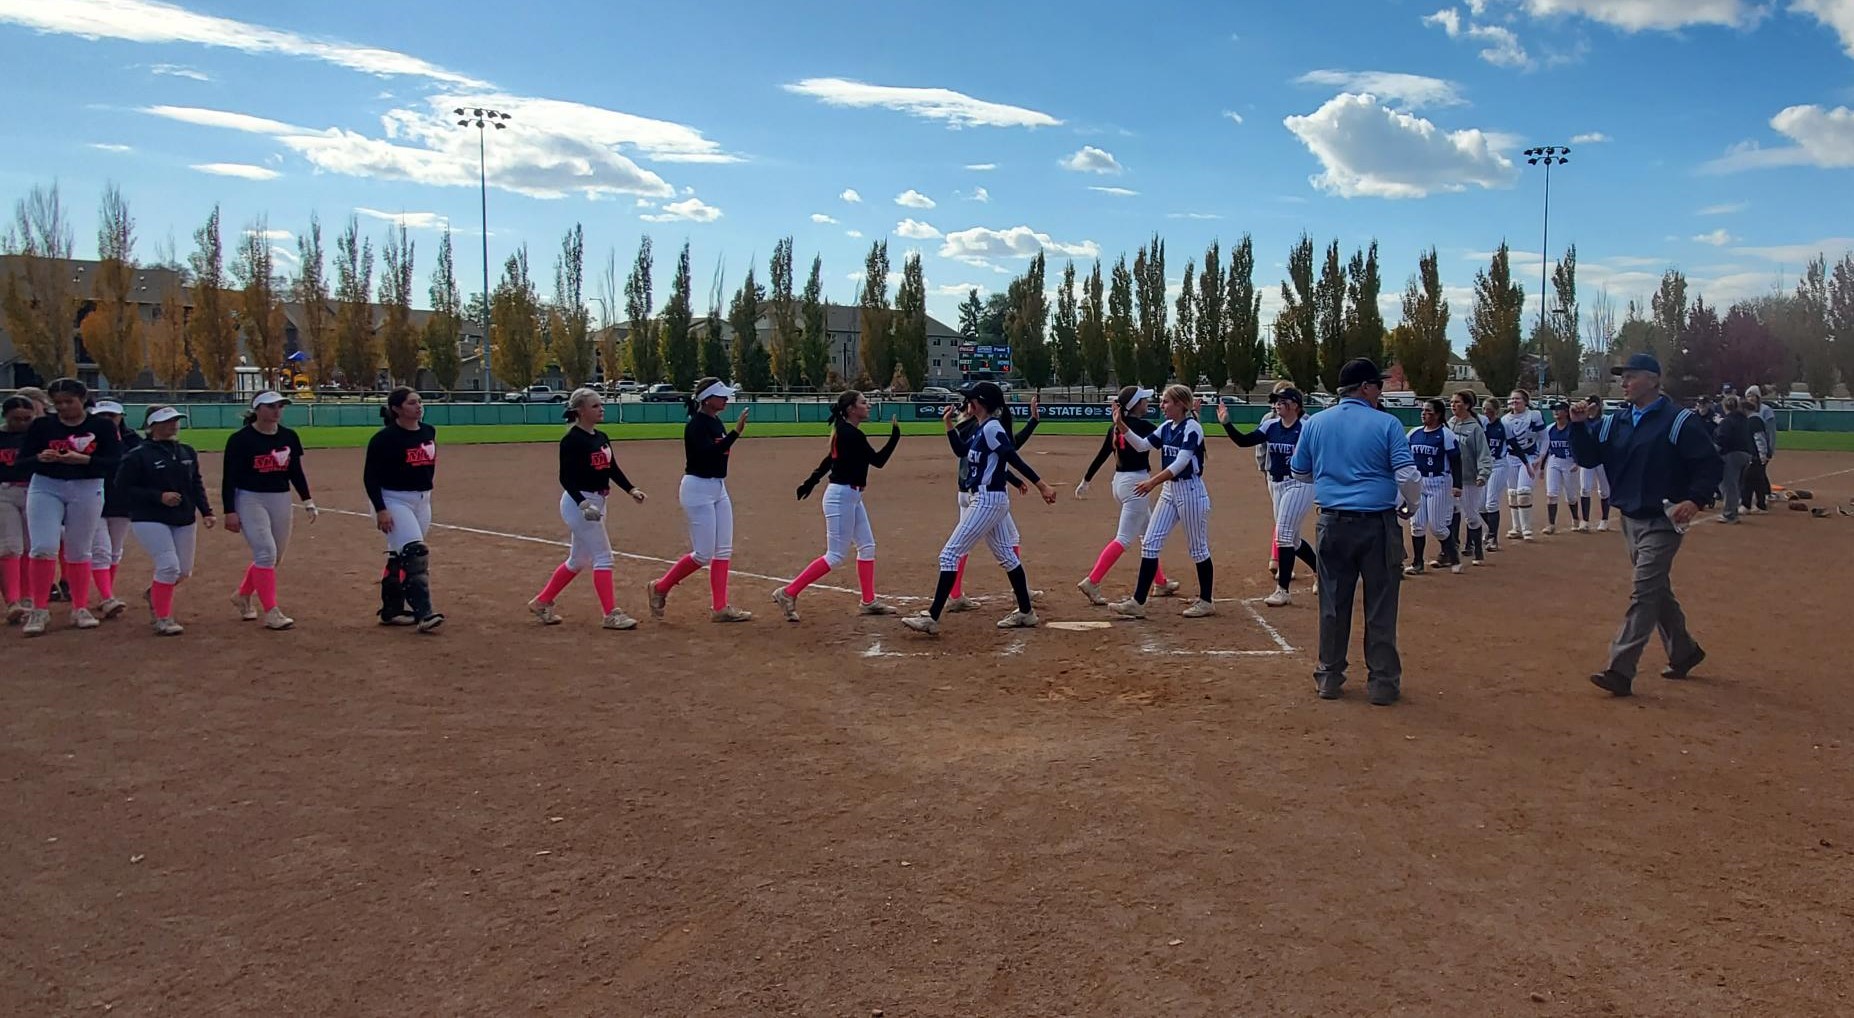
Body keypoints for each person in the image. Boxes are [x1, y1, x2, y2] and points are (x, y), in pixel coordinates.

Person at [1569, 354, 1724, 697]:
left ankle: (1620, 669)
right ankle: (1684, 651)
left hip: (1665, 519)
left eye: (1631, 376)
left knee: (1643, 591)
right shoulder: (1615, 422)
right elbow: (1589, 458)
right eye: (1622, 378)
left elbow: (1710, 464)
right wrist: (1578, 427)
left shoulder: (1679, 421)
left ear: (1653, 380)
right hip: (1630, 518)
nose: (1624, 383)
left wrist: (1695, 499)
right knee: (1655, 591)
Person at [1289, 358, 1423, 705]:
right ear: (1365, 387)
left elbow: (1299, 471)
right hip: (1377, 523)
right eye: (1377, 385)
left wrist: (1333, 477)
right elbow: (1407, 476)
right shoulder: (1387, 423)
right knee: (1381, 604)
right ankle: (1382, 683)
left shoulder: (1316, 423)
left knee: (1333, 603)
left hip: (1332, 521)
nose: (1380, 391)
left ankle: (1329, 677)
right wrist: (1411, 506)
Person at [904, 381, 1056, 635]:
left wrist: (1042, 485)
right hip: (987, 499)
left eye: (971, 399)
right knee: (1007, 556)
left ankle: (932, 617)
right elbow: (961, 450)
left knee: (949, 555)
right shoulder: (982, 427)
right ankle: (1026, 612)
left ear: (981, 403)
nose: (968, 403)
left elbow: (1012, 456)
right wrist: (948, 424)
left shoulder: (992, 428)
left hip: (988, 500)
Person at [773, 390, 902, 621]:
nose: (868, 405)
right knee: (835, 556)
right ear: (851, 409)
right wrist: (895, 437)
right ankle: (788, 592)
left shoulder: (843, 430)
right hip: (841, 497)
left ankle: (868, 601)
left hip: (851, 496)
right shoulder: (851, 434)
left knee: (867, 547)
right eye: (863, 402)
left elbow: (829, 461)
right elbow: (878, 461)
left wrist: (811, 481)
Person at [528, 387, 648, 630]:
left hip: (599, 501)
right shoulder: (572, 440)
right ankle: (610, 614)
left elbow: (612, 468)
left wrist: (631, 489)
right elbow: (565, 477)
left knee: (578, 560)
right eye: (595, 406)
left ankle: (542, 602)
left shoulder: (601, 437)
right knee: (604, 557)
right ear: (580, 411)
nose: (601, 409)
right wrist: (582, 503)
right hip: (579, 503)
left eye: (600, 404)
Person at [18, 378, 121, 636]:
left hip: (87, 486)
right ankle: (39, 609)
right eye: (58, 403)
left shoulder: (102, 426)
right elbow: (21, 462)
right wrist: (39, 458)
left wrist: (84, 460)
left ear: (83, 399)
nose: (63, 407)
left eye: (69, 401)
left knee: (79, 549)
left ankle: (80, 607)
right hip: (47, 485)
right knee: (43, 546)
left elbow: (114, 462)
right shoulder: (43, 426)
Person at [646, 378, 752, 623]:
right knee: (703, 554)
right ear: (707, 399)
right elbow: (708, 454)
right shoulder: (696, 425)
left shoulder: (715, 422)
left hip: (718, 487)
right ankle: (660, 587)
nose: (725, 399)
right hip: (697, 489)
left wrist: (731, 434)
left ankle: (720, 608)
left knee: (723, 550)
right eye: (721, 396)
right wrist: (735, 433)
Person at [1109, 384, 1218, 619]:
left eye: (1166, 402)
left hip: (1190, 491)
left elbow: (1181, 463)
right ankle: (1137, 602)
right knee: (1150, 543)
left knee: (1198, 548)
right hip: (1170, 490)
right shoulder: (1167, 427)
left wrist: (1153, 482)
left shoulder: (1192, 428)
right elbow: (1142, 445)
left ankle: (1206, 601)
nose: (1161, 406)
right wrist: (1120, 424)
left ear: (1180, 404)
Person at [944, 394, 1051, 610]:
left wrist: (1014, 480)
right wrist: (1033, 421)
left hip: (967, 492)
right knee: (999, 541)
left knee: (973, 544)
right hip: (982, 495)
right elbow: (1009, 450)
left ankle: (957, 594)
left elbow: (999, 455)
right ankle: (1019, 593)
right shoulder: (982, 426)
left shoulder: (968, 426)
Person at [223, 391, 317, 630]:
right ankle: (271, 612)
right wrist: (229, 510)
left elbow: (295, 471)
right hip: (250, 498)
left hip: (280, 498)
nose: (277, 411)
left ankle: (243, 595)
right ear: (257, 409)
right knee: (266, 552)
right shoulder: (240, 439)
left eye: (280, 406)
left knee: (275, 557)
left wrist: (307, 500)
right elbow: (229, 478)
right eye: (271, 406)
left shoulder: (288, 436)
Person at [1075, 386, 1179, 605]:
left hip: (1120, 482)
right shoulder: (1144, 426)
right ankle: (1092, 580)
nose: (1147, 403)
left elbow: (1102, 455)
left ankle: (1160, 583)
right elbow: (1171, 439)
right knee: (1124, 538)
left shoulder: (1115, 427)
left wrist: (1086, 480)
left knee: (1148, 535)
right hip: (1136, 485)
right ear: (1135, 405)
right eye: (1143, 400)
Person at [118, 405, 215, 636]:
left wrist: (206, 511)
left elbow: (196, 483)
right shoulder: (137, 455)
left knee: (183, 571)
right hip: (149, 517)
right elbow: (122, 488)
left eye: (175, 420)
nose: (173, 425)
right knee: (169, 566)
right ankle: (163, 617)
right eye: (166, 421)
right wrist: (158, 496)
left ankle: (155, 593)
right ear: (151, 426)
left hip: (183, 517)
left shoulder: (187, 452)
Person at [1218, 388, 1316, 606]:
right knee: (1293, 540)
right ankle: (1320, 571)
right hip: (1277, 483)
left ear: (1295, 405)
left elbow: (1322, 454)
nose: (1277, 405)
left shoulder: (1306, 427)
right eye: (1276, 401)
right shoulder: (1271, 425)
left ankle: (1283, 591)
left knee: (1283, 535)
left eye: (1282, 401)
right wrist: (1227, 424)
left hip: (1300, 484)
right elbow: (1244, 441)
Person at [363, 386, 443, 632]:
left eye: (419, 401)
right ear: (396, 409)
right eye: (411, 403)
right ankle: (424, 613)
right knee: (415, 552)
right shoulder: (385, 439)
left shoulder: (428, 431)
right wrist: (381, 509)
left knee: (401, 555)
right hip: (393, 499)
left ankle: (392, 610)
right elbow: (370, 477)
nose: (418, 406)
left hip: (422, 500)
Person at [88, 400, 138, 620]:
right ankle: (107, 597)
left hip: (121, 501)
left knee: (115, 550)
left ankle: (106, 593)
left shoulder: (132, 440)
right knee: (101, 550)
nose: (107, 420)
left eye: (112, 416)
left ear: (121, 417)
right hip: (92, 499)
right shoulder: (86, 439)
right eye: (102, 416)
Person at [1403, 398, 1462, 576]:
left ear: (1437, 415)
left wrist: (1457, 485)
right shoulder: (1414, 433)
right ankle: (1417, 563)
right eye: (1423, 410)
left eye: (1428, 411)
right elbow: (1404, 455)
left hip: (1439, 482)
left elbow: (1456, 461)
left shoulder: (1446, 434)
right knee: (1417, 525)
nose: (1424, 414)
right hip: (1419, 481)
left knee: (1438, 527)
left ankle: (1453, 557)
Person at [1445, 390, 1492, 567]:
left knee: (1471, 516)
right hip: (1450, 478)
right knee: (1450, 513)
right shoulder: (1449, 424)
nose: (1453, 405)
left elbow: (1483, 453)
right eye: (1451, 402)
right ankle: (1450, 550)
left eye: (1457, 402)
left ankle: (1478, 550)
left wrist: (1483, 473)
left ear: (1467, 405)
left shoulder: (1475, 428)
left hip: (1469, 478)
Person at [0, 395, 35, 622]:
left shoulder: (36, 436)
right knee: (10, 546)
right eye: (16, 419)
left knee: (31, 546)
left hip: (34, 491)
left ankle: (28, 597)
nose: (22, 423)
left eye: (26, 418)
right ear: (5, 416)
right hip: (4, 492)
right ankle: (13, 601)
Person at [1501, 389, 1548, 541]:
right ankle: (1516, 528)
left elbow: (1544, 438)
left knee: (1524, 491)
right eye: (1512, 399)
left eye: (1518, 399)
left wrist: (1540, 457)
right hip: (1511, 458)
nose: (1514, 401)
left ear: (1526, 401)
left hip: (1529, 456)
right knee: (1512, 493)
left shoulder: (1534, 416)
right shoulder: (1504, 420)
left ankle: (1527, 528)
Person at [1538, 402, 1584, 535]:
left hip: (1570, 462)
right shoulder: (1550, 429)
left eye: (1559, 409)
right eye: (1554, 409)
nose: (1556, 412)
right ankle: (1551, 524)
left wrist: (1578, 462)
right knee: (1551, 494)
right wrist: (1542, 467)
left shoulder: (1573, 428)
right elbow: (1546, 449)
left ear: (1566, 412)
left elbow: (1580, 446)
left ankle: (1575, 518)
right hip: (1554, 461)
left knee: (1571, 496)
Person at [1713, 395, 1756, 524]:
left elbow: (1722, 439)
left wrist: (1712, 452)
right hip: (1746, 454)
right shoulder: (1744, 420)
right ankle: (1733, 510)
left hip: (1731, 454)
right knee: (1735, 484)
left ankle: (1730, 514)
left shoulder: (1727, 421)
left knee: (1728, 485)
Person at [1479, 396, 1510, 552]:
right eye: (1484, 409)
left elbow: (1514, 445)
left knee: (1491, 503)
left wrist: (1527, 464)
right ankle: (1490, 530)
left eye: (1489, 409)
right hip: (1483, 466)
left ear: (1496, 411)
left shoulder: (1503, 426)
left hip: (1499, 465)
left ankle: (1493, 539)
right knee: (1480, 506)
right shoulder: (1481, 426)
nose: (1486, 412)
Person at [1742, 389, 1772, 513]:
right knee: (1757, 480)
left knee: (1748, 480)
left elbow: (1760, 438)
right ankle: (1760, 504)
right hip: (1755, 455)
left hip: (1755, 456)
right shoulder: (1753, 419)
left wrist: (1762, 455)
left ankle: (1746, 505)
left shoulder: (1754, 420)